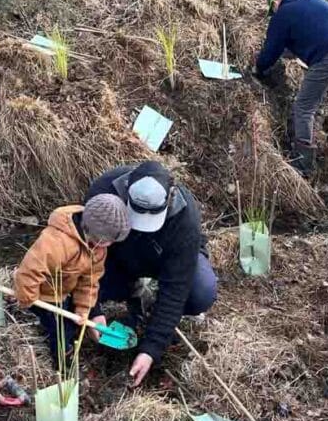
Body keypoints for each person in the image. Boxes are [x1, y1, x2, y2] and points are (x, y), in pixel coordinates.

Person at [86, 161, 217, 386]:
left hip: (161, 261)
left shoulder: (185, 219)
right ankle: (133, 291)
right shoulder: (104, 193)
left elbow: (176, 289)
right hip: (116, 260)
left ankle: (150, 303)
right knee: (69, 288)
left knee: (201, 291)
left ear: (169, 199)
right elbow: (83, 258)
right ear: (126, 191)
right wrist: (92, 310)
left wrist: (151, 349)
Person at [252, 0, 328, 176]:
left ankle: (304, 162)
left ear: (274, 3)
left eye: (272, 10)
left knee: (304, 106)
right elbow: (313, 32)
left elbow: (271, 49)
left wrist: (260, 69)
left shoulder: (283, 13)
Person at [12, 194, 130, 364]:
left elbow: (89, 281)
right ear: (93, 231)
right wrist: (29, 299)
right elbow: (29, 272)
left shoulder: (98, 249)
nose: (109, 245)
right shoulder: (57, 242)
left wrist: (83, 310)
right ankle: (63, 362)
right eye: (107, 240)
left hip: (65, 290)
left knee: (71, 323)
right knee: (61, 332)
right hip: (44, 296)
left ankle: (63, 334)